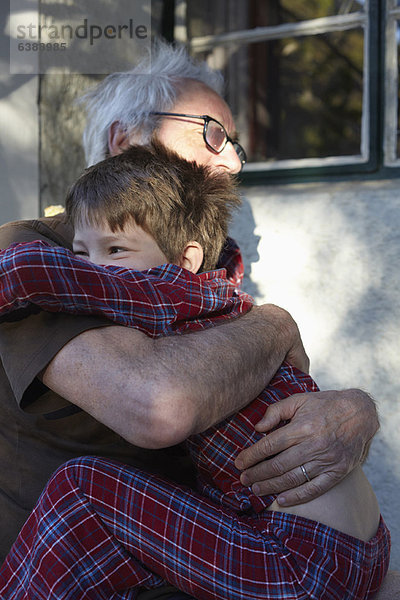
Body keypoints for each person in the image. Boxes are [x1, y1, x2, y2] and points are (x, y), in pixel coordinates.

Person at [0, 40, 378, 573]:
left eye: (235, 145)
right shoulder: (42, 249)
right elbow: (159, 406)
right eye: (213, 133)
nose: (230, 160)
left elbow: (282, 397)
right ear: (125, 140)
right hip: (82, 567)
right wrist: (275, 322)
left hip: (206, 554)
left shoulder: (198, 269)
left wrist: (356, 413)